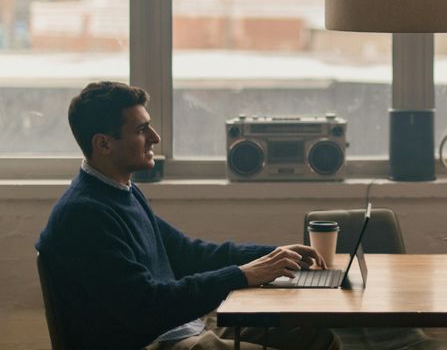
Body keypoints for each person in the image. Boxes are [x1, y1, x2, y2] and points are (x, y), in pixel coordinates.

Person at [36, 81, 339, 350]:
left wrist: (275, 256)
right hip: (152, 341)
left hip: (180, 329)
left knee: (313, 334)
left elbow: (189, 253)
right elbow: (148, 304)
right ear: (103, 143)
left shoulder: (121, 191)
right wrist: (244, 274)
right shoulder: (84, 215)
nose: (154, 137)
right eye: (141, 130)